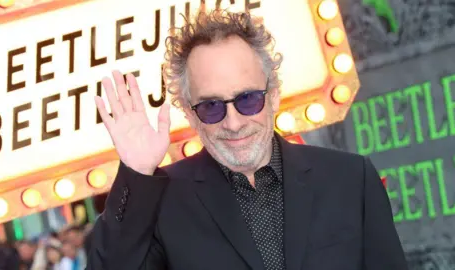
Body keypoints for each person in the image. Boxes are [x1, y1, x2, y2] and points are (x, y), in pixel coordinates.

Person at [87, 9, 408, 270]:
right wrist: (137, 174)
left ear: (274, 95)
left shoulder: (350, 179)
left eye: (248, 99)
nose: (234, 122)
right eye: (211, 107)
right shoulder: (160, 201)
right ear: (188, 111)